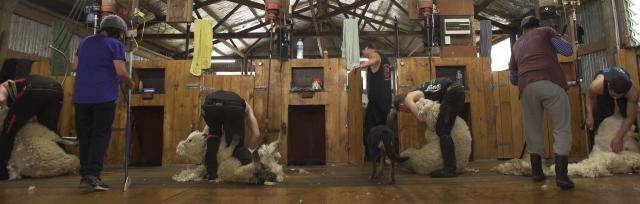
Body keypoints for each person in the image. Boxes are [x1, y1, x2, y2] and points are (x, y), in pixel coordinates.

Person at [508, 16, 574, 189]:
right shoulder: (546, 31)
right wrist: (563, 37)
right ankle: (561, 176)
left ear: (522, 30)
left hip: (526, 87)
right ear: (537, 26)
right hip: (551, 82)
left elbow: (513, 77)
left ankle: (537, 172)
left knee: (532, 129)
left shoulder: (516, 45)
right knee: (561, 127)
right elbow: (567, 50)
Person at [72, 15, 134, 191]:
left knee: (85, 136)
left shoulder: (84, 42)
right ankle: (93, 175)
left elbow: (74, 66)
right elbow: (120, 71)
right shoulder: (115, 45)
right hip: (103, 97)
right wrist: (130, 82)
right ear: (119, 32)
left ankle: (85, 174)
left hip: (81, 97)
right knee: (100, 135)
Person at [396, 78, 465, 177]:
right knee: (448, 128)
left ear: (401, 105)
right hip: (457, 91)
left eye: (403, 111)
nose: (406, 112)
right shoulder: (420, 91)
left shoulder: (408, 98)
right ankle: (455, 164)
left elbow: (421, 117)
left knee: (442, 130)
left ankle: (450, 169)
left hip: (452, 92)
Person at [0, 75, 64, 180]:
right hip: (57, 90)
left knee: (8, 131)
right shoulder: (20, 82)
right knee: (50, 129)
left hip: (33, 88)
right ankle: (62, 163)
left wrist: (7, 111)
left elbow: (1, 98)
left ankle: (2, 172)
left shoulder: (4, 85)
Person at [201, 90, 260, 181]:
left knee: (213, 138)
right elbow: (256, 133)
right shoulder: (245, 107)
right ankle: (260, 172)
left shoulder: (220, 101)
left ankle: (211, 174)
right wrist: (247, 150)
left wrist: (204, 152)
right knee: (236, 144)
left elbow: (205, 134)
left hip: (209, 106)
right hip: (233, 108)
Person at [353, 44, 393, 160]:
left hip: (377, 100)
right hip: (385, 99)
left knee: (370, 128)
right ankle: (383, 155)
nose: (363, 54)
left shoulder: (375, 55)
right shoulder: (385, 58)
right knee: (382, 128)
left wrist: (359, 66)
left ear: (367, 48)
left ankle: (373, 156)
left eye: (363, 51)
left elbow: (374, 59)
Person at [586, 66, 639, 153]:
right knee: (604, 119)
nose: (615, 98)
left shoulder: (632, 92)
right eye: (613, 95)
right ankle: (604, 150)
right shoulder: (597, 85)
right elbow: (590, 97)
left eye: (618, 96)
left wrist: (619, 137)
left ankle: (630, 149)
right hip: (604, 88)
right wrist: (590, 114)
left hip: (621, 91)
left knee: (627, 117)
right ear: (609, 86)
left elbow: (630, 117)